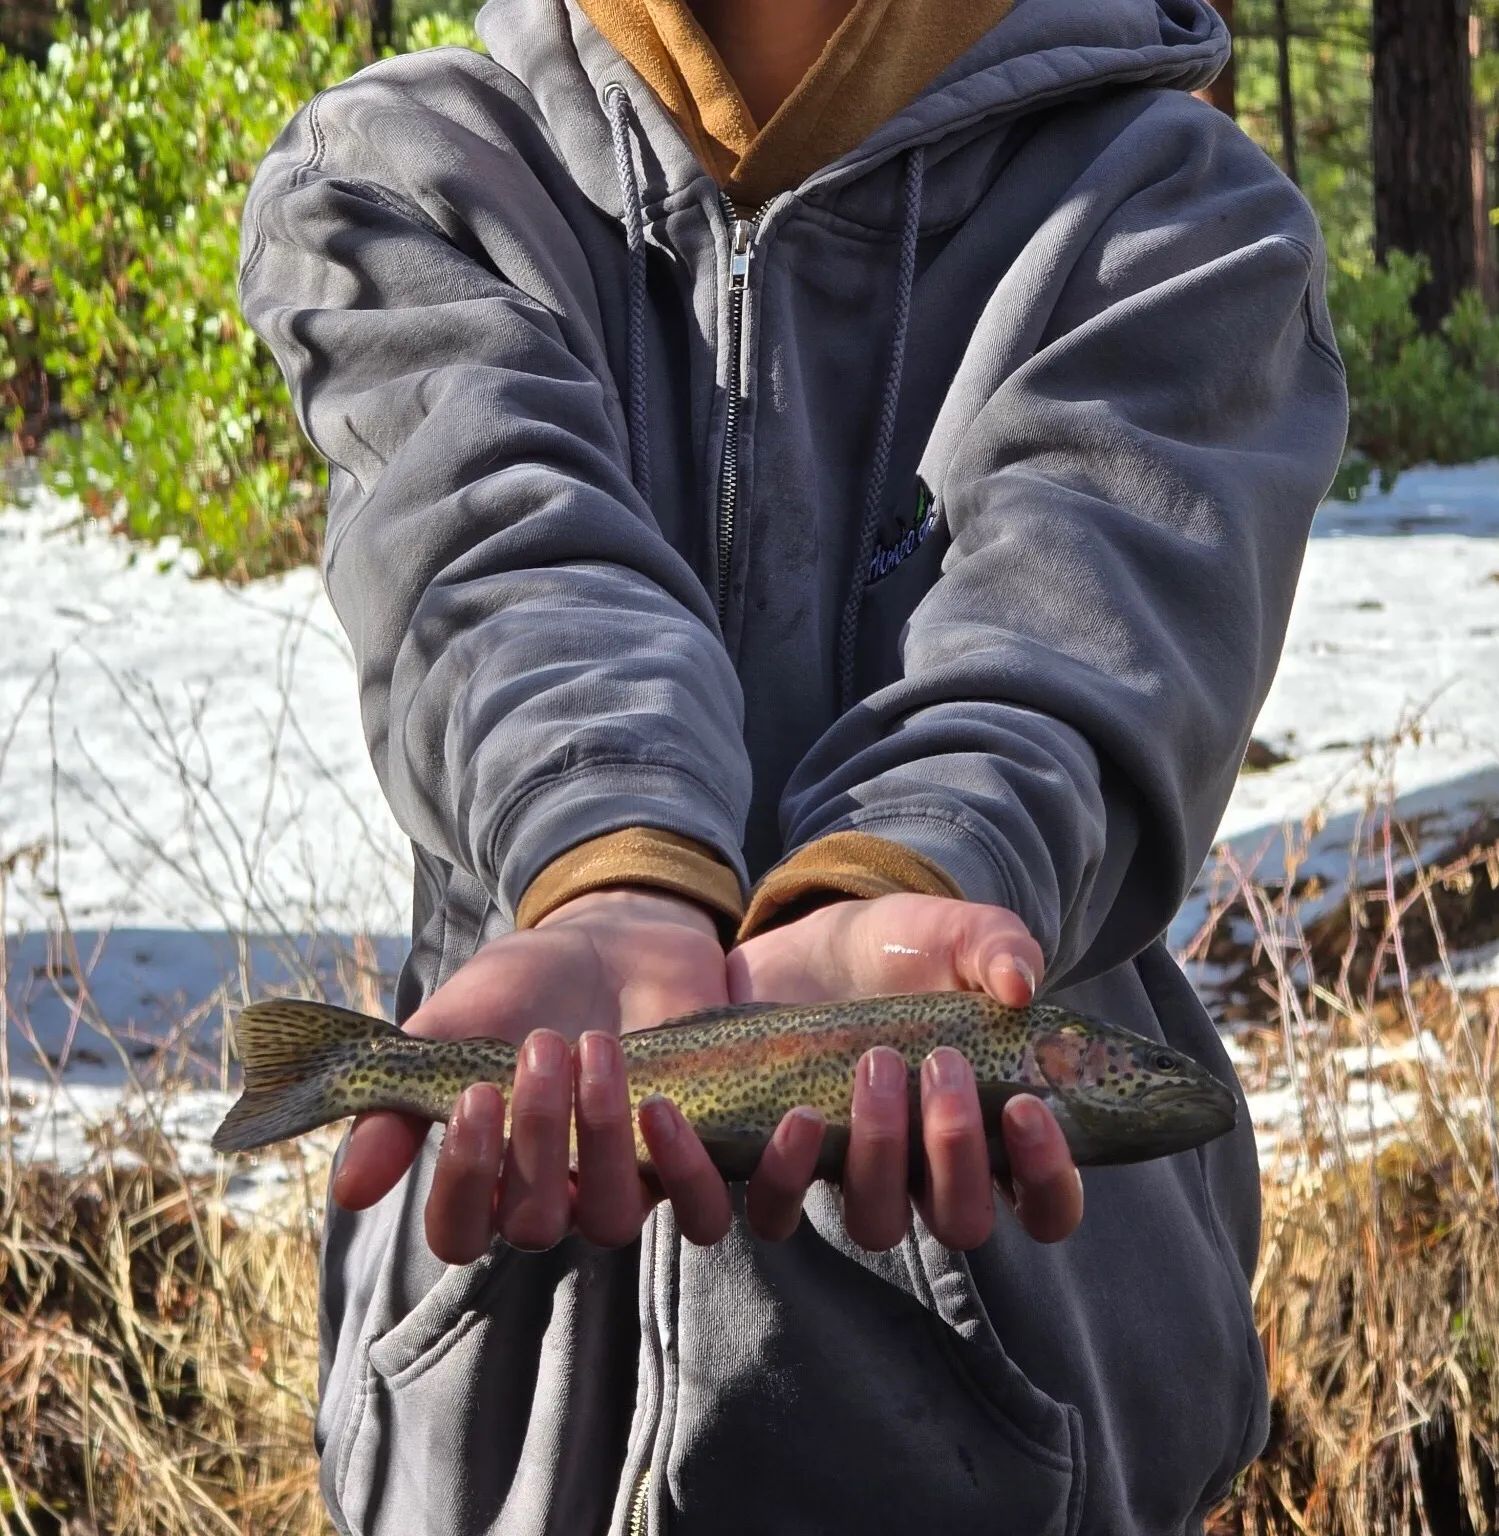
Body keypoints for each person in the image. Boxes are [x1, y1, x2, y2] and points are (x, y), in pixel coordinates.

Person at [238, 0, 1348, 1528]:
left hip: (1044, 1440)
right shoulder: (406, 176)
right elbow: (499, 560)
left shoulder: (1182, 212)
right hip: (494, 1421)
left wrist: (928, 855)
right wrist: (611, 855)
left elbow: (1079, 621)